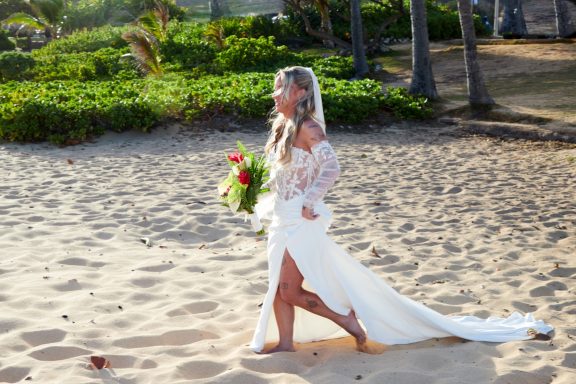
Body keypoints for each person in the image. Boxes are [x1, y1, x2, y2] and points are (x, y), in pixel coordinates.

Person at [249, 66, 552, 354]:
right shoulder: (283, 127)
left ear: (301, 93)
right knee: (278, 285)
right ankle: (287, 343)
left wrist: (308, 201)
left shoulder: (309, 127)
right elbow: (283, 174)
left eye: (282, 88)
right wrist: (246, 184)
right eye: (276, 88)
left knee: (289, 290)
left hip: (299, 223)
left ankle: (347, 320)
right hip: (281, 217)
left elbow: (332, 167)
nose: (275, 94)